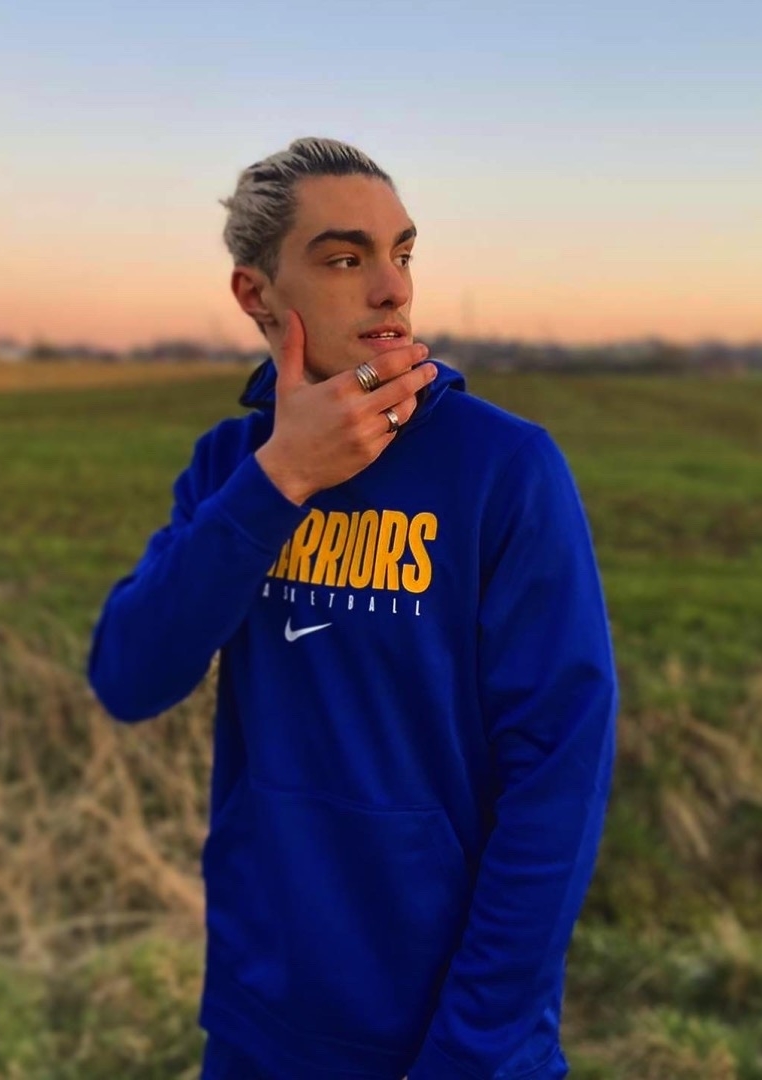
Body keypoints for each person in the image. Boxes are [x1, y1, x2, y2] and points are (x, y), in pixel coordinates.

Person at [88, 136, 618, 1080]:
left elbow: (558, 780)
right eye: (345, 259)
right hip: (259, 1024)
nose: (392, 289)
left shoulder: (504, 468)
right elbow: (130, 676)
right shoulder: (231, 467)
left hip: (450, 1044)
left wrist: (470, 1053)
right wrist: (279, 480)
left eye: (402, 252)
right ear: (257, 294)